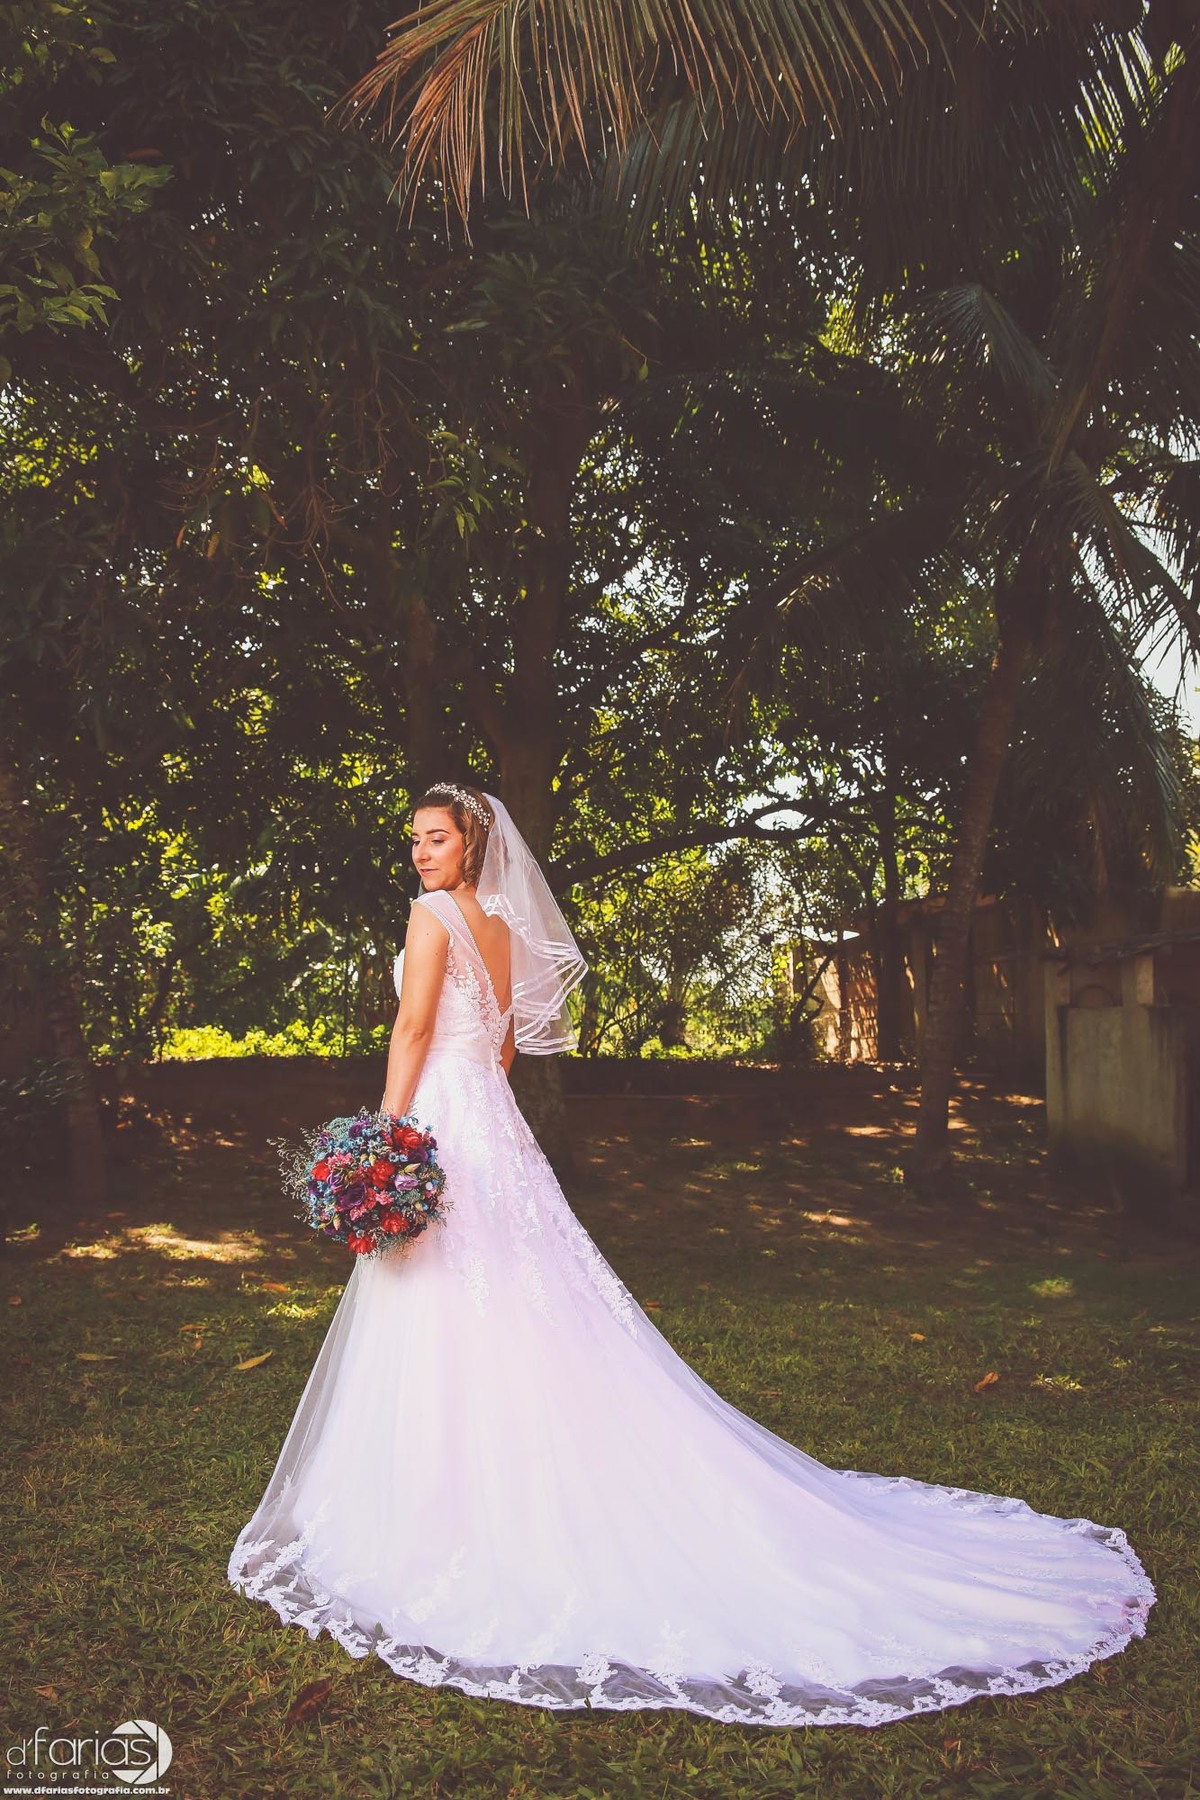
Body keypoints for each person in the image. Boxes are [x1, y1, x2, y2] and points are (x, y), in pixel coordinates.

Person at [227, 783, 1154, 1728]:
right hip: (490, 1124)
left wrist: (387, 1137)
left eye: (436, 839)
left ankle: (434, 1511)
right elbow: (504, 1050)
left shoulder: (430, 917)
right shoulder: (500, 925)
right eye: (415, 841)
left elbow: (417, 1029)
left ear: (472, 843)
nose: (422, 855)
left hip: (435, 1114)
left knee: (444, 1289)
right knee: (518, 1289)